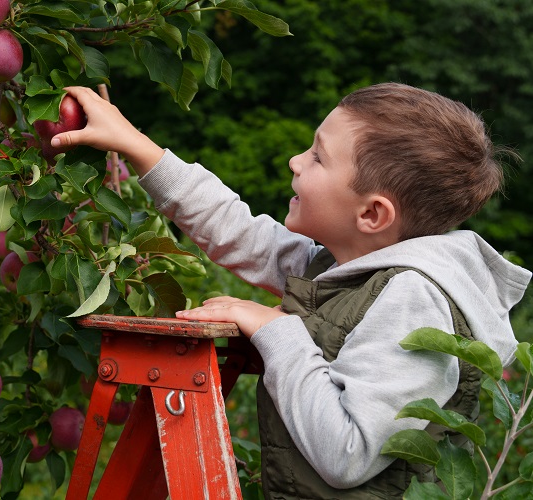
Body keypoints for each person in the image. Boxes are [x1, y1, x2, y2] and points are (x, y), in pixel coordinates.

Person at [51, 83, 532, 498]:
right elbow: (238, 231)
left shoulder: (413, 301)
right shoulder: (342, 267)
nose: (295, 161)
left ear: (372, 215)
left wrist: (277, 330)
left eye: (318, 156)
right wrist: (136, 146)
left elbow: (349, 454)